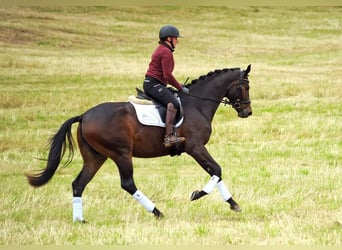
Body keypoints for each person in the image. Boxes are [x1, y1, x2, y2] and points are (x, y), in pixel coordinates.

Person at [143, 25, 189, 148]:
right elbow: (167, 75)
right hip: (154, 84)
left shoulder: (161, 49)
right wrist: (179, 87)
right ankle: (169, 137)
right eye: (176, 38)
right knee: (173, 103)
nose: (177, 41)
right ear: (169, 39)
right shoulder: (166, 52)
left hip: (153, 83)